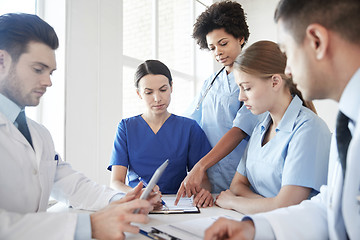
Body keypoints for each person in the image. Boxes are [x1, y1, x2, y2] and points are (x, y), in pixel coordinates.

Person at [204, 0, 360, 239]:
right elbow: (330, 207)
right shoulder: (348, 123)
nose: (287, 71)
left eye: (287, 52)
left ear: (317, 41)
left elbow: (291, 204)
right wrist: (252, 227)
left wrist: (249, 205)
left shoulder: (313, 127)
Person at [0, 13, 160, 240]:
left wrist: (123, 200)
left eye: (51, 72)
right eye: (38, 69)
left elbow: (71, 185)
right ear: (2, 61)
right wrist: (85, 226)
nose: (48, 82)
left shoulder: (38, 134)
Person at [215, 40, 331, 215]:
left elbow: (288, 208)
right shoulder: (260, 128)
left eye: (246, 88)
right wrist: (271, 204)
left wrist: (233, 202)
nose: (241, 97)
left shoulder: (308, 129)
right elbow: (237, 185)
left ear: (275, 82)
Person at [176, 0, 260, 202]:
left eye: (223, 44)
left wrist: (201, 165)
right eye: (212, 47)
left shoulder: (254, 78)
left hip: (241, 176)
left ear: (240, 38)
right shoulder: (210, 83)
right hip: (211, 178)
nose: (218, 53)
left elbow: (240, 130)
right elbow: (189, 122)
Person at [108, 60, 214, 207]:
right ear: (139, 94)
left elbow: (204, 180)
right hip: (137, 203)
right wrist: (137, 194)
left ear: (171, 87)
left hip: (178, 204)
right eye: (149, 92)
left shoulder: (189, 128)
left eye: (163, 90)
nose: (157, 98)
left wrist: (204, 192)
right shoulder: (126, 128)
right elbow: (116, 182)